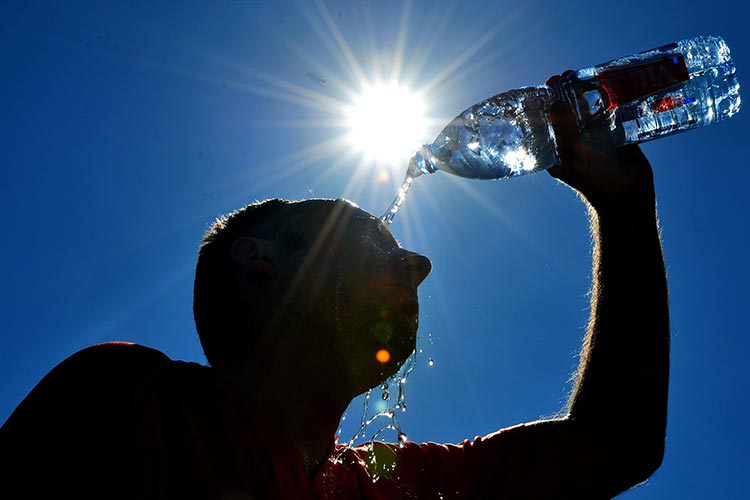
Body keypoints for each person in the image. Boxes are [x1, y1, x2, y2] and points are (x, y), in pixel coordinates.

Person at [0, 75, 670, 499]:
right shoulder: (129, 403)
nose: (419, 266)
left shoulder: (394, 483)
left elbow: (616, 445)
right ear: (258, 260)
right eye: (374, 239)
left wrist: (626, 210)